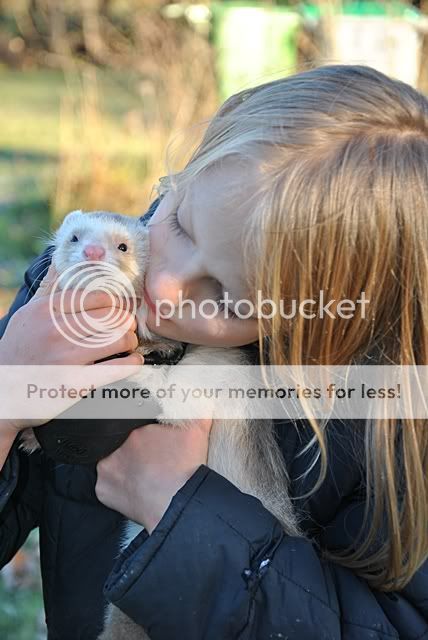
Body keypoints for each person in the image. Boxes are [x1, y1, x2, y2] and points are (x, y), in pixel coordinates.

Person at [0, 64, 427, 639]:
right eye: (180, 224)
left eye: (228, 297)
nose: (167, 287)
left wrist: (181, 510)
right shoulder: (68, 293)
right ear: (183, 176)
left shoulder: (378, 421)